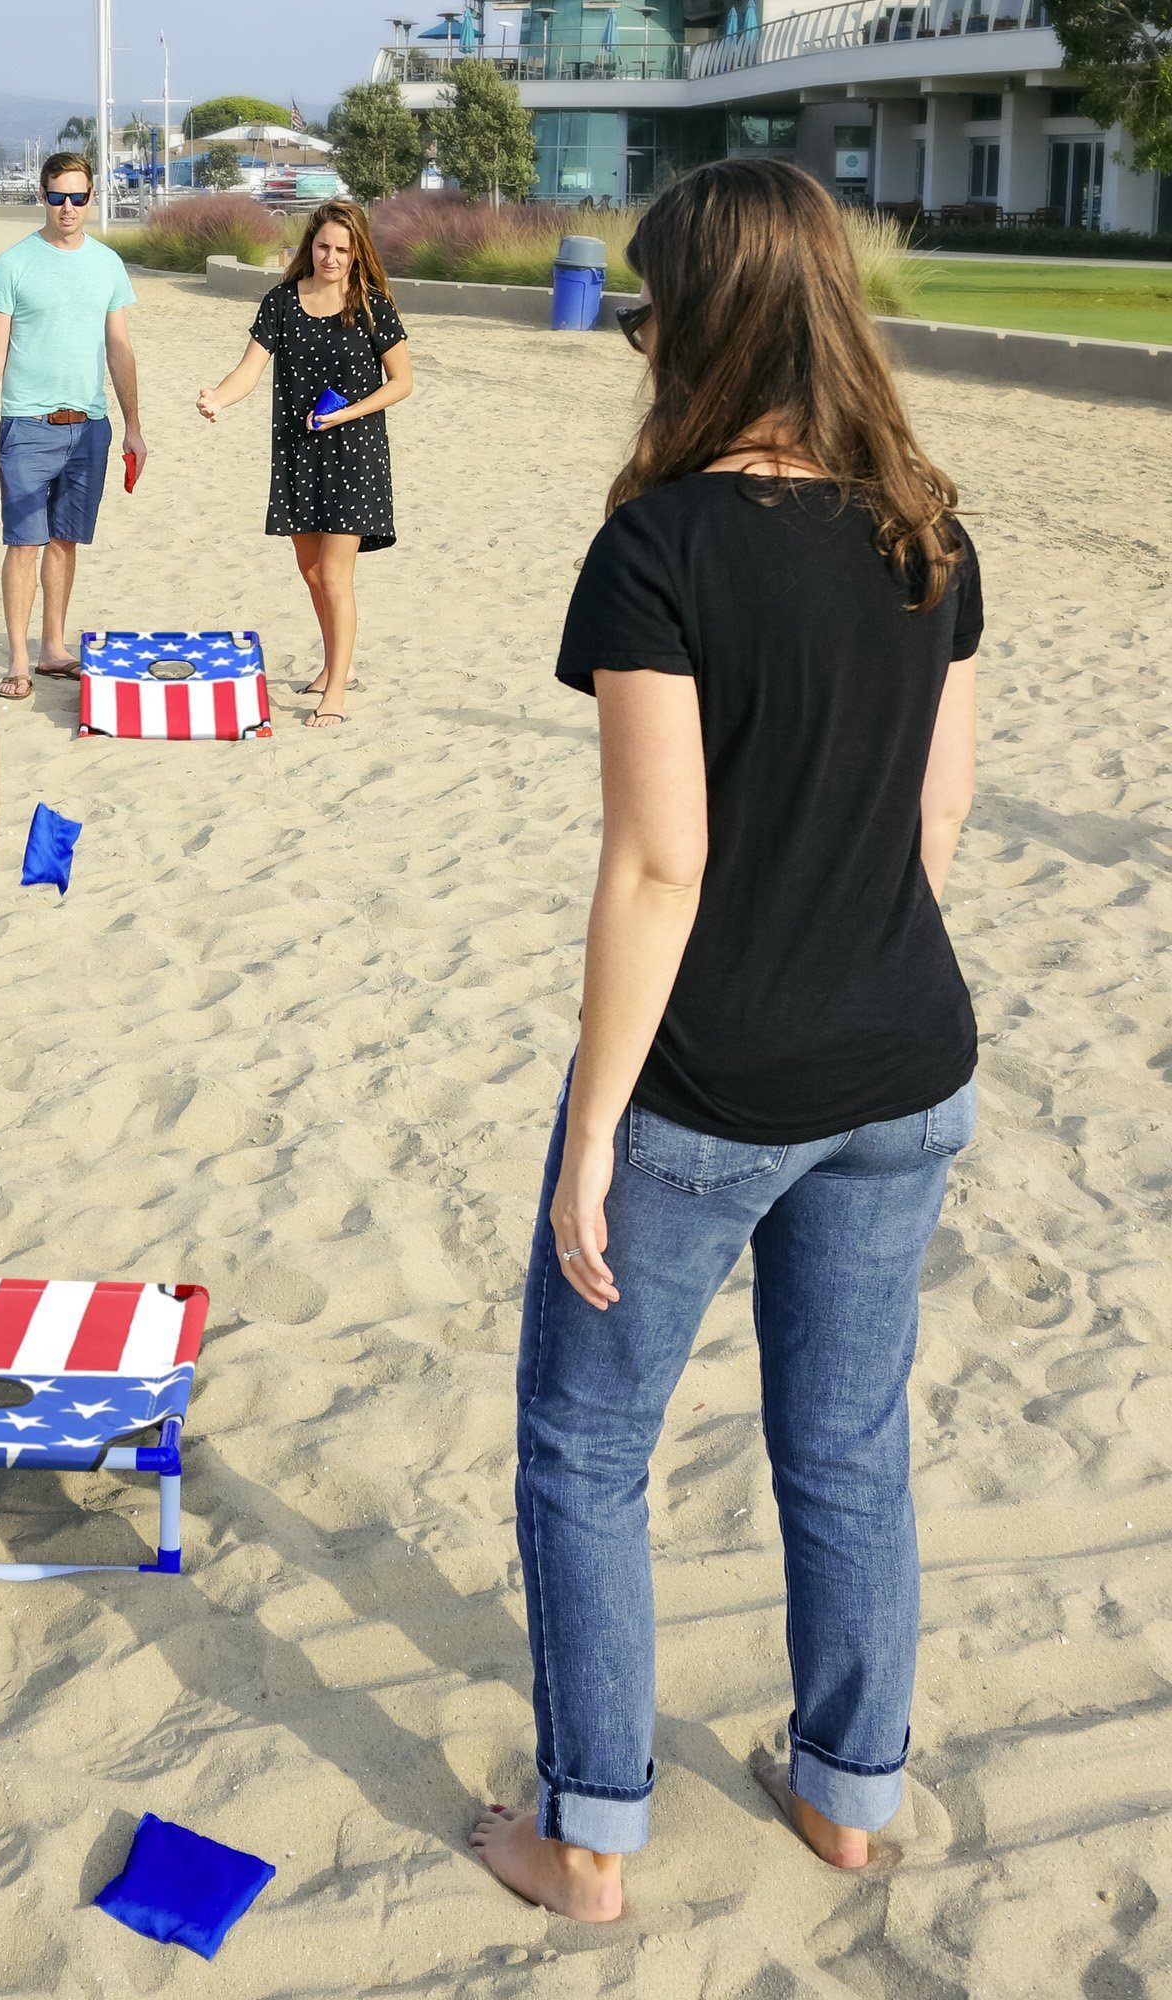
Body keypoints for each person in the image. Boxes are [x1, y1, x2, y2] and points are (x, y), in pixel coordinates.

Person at [474, 157, 982, 1922]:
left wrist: (597, 1123)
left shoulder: (664, 545)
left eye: (648, 304)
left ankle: (589, 1833)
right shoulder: (926, 519)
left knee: (584, 1448)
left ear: (692, 321)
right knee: (846, 1445)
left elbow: (659, 859)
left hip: (715, 1079)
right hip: (904, 1057)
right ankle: (849, 1797)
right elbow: (935, 821)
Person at [196, 199, 411, 727]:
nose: (331, 257)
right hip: (298, 452)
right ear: (307, 247)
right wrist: (220, 398)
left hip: (356, 454)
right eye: (323, 247)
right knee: (311, 571)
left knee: (336, 576)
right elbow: (248, 369)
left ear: (357, 253)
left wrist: (349, 415)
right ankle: (337, 661)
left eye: (342, 249)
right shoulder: (281, 302)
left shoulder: (372, 305)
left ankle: (335, 689)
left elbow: (402, 383)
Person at [0, 150, 144, 702]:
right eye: (57, 196)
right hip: (26, 426)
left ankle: (52, 649)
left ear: (92, 199)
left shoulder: (108, 264)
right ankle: (18, 661)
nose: (67, 207)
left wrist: (134, 426)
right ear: (42, 196)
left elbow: (120, 348)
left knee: (65, 542)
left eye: (78, 197)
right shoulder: (14, 263)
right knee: (24, 543)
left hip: (89, 426)